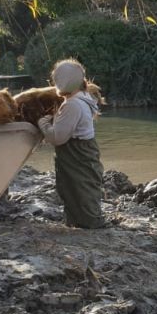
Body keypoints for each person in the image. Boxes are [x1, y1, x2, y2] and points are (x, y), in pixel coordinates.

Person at [38, 59, 106, 228]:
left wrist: (43, 124)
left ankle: (88, 222)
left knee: (78, 186)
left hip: (75, 151)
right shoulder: (83, 97)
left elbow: (58, 137)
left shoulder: (72, 105)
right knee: (81, 185)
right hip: (86, 149)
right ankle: (82, 219)